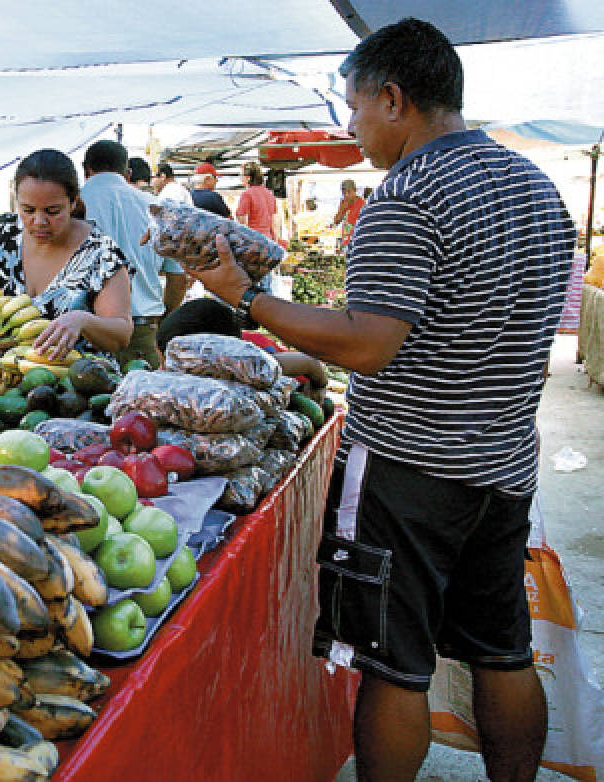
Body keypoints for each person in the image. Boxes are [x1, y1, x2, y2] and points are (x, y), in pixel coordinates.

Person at [186, 18, 574, 782]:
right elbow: (463, 329)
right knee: (501, 649)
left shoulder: (408, 195)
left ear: (393, 98)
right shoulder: (533, 184)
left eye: (355, 108)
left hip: (408, 469)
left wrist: (247, 297)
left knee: (394, 665)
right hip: (502, 465)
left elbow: (370, 343)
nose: (353, 128)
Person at [0, 148, 133, 359]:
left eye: (52, 211)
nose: (39, 221)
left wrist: (83, 321)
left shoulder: (101, 254)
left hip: (78, 384)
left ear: (73, 201)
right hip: (3, 377)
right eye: (28, 210)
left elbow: (121, 333)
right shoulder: (1, 236)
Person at [80, 139, 186, 368]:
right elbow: (177, 276)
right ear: (128, 173)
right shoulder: (156, 208)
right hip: (143, 329)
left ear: (86, 169)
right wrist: (165, 317)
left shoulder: (68, 206)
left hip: (84, 331)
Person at [155, 296, 327, 403]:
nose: (167, 368)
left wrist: (319, 385)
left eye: (173, 363)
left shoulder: (253, 365)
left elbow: (310, 363)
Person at [235, 162, 281, 245]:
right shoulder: (269, 193)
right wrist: (275, 241)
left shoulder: (247, 194)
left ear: (248, 178)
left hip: (254, 241)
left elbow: (242, 222)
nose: (240, 178)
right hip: (268, 240)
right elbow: (274, 222)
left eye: (241, 175)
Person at [332, 178, 367, 249]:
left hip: (357, 243)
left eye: (349, 192)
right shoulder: (343, 203)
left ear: (355, 190)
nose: (346, 195)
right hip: (345, 242)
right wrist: (342, 210)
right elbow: (336, 222)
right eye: (344, 193)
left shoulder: (362, 204)